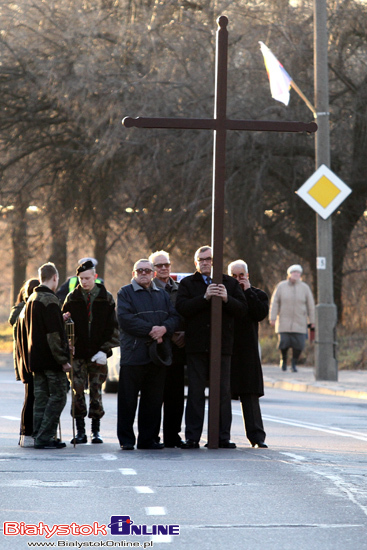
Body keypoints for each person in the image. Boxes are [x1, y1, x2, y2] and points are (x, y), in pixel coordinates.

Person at [175, 245, 248, 449]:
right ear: (195, 262)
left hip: (222, 346)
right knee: (196, 393)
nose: (205, 262)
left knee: (223, 392)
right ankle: (192, 437)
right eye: (201, 259)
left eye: (208, 259)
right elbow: (181, 308)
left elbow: (242, 311)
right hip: (197, 346)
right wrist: (204, 297)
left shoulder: (230, 283)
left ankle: (222, 436)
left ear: (215, 262)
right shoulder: (188, 283)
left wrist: (227, 299)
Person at [117, 258, 181, 450]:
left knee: (152, 401)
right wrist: (152, 330)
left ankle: (148, 439)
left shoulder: (161, 294)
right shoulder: (125, 292)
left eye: (147, 270)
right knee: (128, 402)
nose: (144, 273)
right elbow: (125, 319)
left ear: (153, 274)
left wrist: (164, 329)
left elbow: (174, 317)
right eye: (140, 270)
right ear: (134, 274)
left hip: (156, 355)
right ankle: (127, 440)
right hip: (133, 355)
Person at [62, 260, 119, 444]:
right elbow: (63, 326)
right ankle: (80, 431)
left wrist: (105, 350)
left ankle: (96, 430)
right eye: (81, 279)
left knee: (96, 390)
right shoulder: (72, 297)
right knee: (77, 390)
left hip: (98, 353)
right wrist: (68, 343)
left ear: (94, 277)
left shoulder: (106, 297)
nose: (84, 282)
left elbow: (114, 327)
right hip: (77, 353)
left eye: (87, 278)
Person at [22, 262, 71, 449]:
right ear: (55, 278)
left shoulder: (32, 298)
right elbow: (53, 335)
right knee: (59, 395)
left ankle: (37, 434)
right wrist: (63, 360)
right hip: (51, 360)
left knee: (41, 399)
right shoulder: (50, 300)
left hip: (36, 358)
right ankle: (45, 436)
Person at [228, 260, 269, 448]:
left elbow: (260, 313)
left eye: (241, 276)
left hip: (248, 352)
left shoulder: (257, 294)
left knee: (250, 397)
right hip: (228, 350)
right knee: (222, 395)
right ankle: (221, 436)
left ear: (247, 276)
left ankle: (257, 437)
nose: (238, 279)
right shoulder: (225, 295)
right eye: (234, 276)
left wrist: (247, 291)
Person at [149, 250, 186, 448]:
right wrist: (168, 332)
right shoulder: (149, 288)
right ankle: (152, 435)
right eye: (159, 265)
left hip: (178, 350)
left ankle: (173, 435)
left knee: (176, 395)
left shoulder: (180, 289)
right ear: (153, 269)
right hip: (157, 348)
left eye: (166, 265)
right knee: (155, 395)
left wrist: (184, 333)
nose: (164, 268)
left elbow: (186, 313)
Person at [8, 278, 39, 447]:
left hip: (25, 361)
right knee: (32, 397)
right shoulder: (24, 310)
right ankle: (27, 433)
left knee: (31, 397)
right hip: (28, 361)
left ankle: (26, 433)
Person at [269, 264, 315, 372]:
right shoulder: (281, 286)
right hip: (284, 321)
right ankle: (283, 360)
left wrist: (312, 321)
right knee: (283, 343)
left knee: (299, 345)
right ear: (289, 274)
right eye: (294, 273)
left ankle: (294, 363)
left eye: (298, 273)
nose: (296, 275)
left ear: (300, 275)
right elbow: (275, 302)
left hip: (300, 322)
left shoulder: (305, 288)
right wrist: (273, 317)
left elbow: (311, 305)